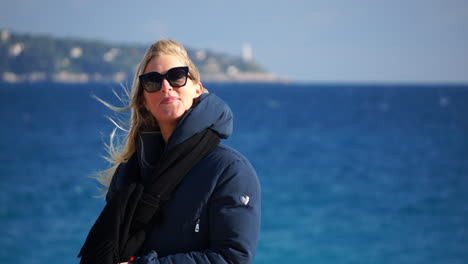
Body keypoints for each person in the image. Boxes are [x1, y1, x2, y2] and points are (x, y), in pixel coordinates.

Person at [78, 39, 261, 264]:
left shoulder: (229, 171)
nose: (166, 86)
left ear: (198, 89)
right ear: (144, 100)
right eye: (153, 81)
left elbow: (232, 258)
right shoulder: (129, 174)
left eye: (177, 76)